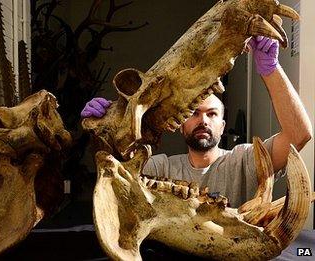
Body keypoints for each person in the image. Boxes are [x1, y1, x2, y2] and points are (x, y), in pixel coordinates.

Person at [80, 36, 312, 208]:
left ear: (222, 125)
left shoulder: (246, 161)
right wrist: (103, 127)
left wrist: (271, 69)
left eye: (212, 114)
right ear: (180, 124)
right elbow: (112, 169)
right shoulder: (160, 168)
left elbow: (299, 135)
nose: (203, 120)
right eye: (194, 113)